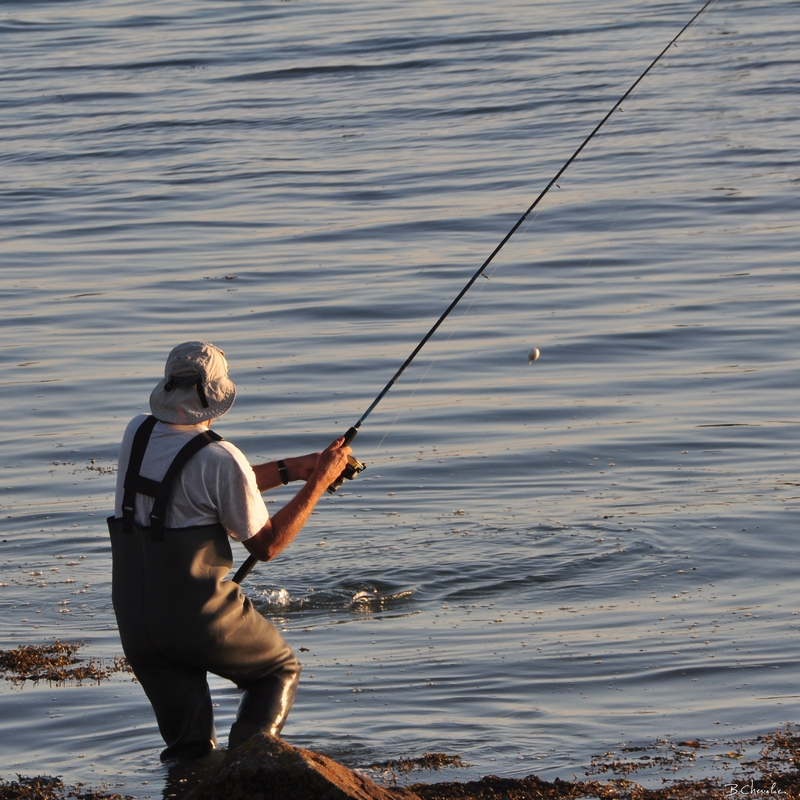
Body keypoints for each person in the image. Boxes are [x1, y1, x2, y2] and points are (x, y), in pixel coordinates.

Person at [107, 341, 351, 761]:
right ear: (217, 396)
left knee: (191, 749)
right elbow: (266, 544)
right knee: (277, 670)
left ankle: (195, 783)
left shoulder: (137, 433)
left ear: (168, 387)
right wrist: (318, 483)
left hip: (135, 623)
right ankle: (248, 766)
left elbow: (204, 486)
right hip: (196, 619)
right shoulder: (222, 457)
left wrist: (292, 469)